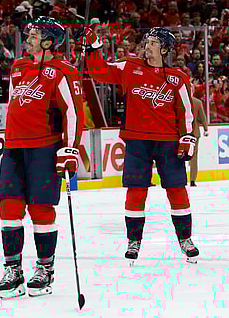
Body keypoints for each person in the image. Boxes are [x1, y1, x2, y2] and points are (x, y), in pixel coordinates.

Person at [84, 26, 200, 264]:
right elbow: (98, 71)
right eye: (147, 42)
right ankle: (133, 241)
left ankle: (185, 239)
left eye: (154, 43)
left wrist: (187, 137)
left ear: (165, 49)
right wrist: (93, 48)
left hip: (168, 142)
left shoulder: (178, 77)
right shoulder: (129, 67)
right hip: (137, 140)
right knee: (136, 191)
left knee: (177, 190)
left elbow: (185, 111)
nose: (148, 46)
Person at [0, 17, 85, 299]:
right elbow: (13, 104)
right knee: (9, 208)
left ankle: (45, 269)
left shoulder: (63, 71)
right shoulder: (19, 68)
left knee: (40, 209)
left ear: (48, 42)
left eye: (34, 35)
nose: (29, 39)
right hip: (14, 148)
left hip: (44, 148)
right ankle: (13, 269)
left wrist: (69, 149)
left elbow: (73, 113)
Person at [189, 86, 209, 186]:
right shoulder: (197, 102)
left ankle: (179, 178)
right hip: (194, 132)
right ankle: (192, 179)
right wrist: (206, 129)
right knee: (194, 156)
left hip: (181, 132)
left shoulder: (178, 101)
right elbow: (203, 117)